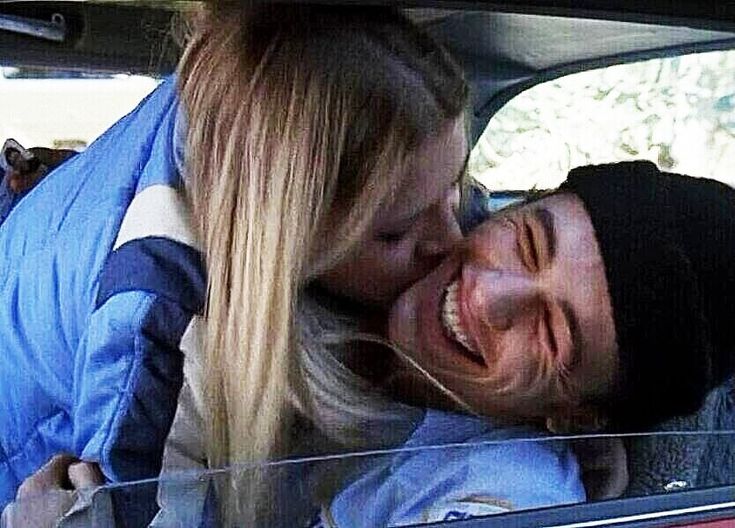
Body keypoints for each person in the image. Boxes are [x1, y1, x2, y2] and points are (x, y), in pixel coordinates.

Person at [0, 3, 474, 525]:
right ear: (288, 238)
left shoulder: (244, 89)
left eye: (454, 189)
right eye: (395, 233)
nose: (451, 240)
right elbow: (127, 507)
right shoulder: (163, 339)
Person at [389, 160, 735, 434]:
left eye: (551, 334)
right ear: (511, 209)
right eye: (527, 244)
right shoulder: (383, 214)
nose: (485, 296)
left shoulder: (493, 494)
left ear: (573, 417)